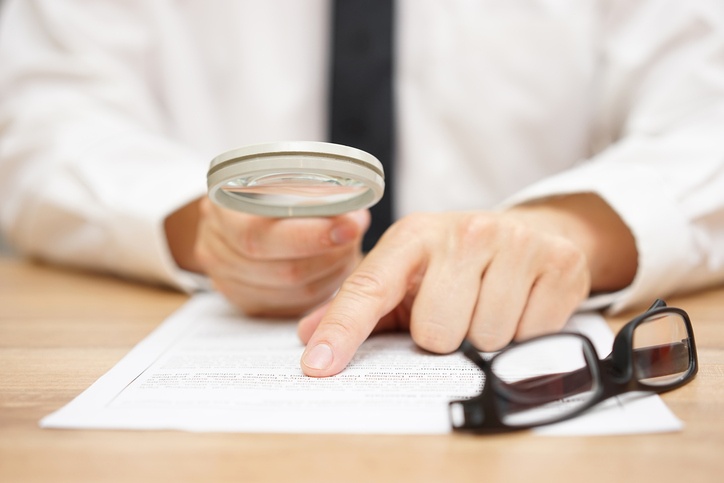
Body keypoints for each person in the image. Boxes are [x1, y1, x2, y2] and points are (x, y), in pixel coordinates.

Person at [1, 1, 723, 378]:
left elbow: (709, 111)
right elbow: (41, 117)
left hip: (524, 342)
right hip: (219, 326)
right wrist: (215, 230)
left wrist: (572, 232)